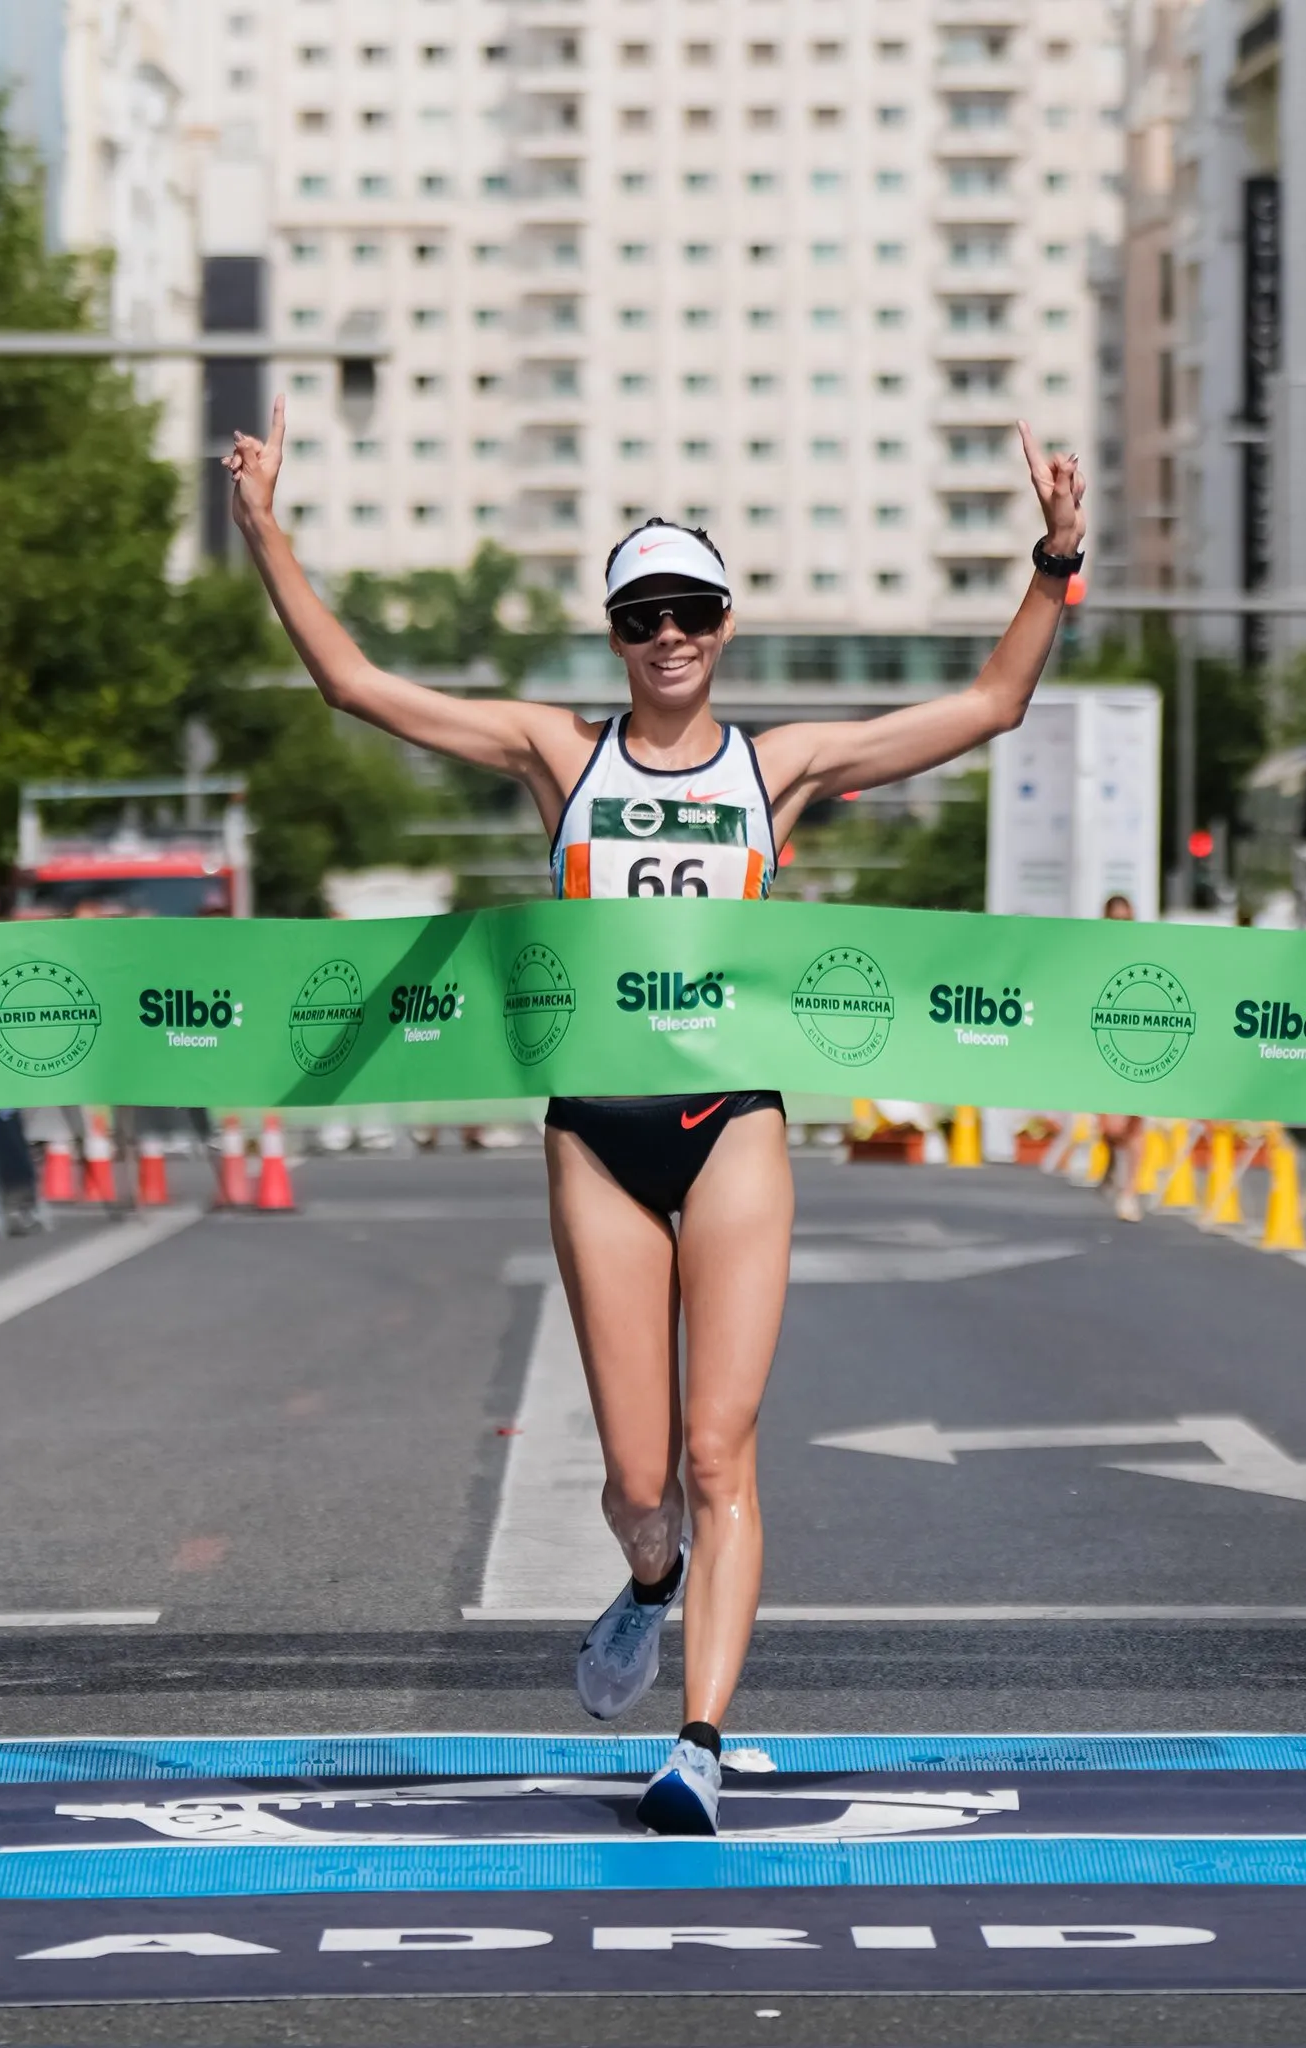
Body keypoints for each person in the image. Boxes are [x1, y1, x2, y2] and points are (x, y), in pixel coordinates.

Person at [226, 396, 1087, 1834]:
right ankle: (644, 1578)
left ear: (726, 623)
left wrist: (1052, 563)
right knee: (639, 1483)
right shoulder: (558, 754)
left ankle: (696, 1738)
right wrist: (266, 533)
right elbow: (358, 690)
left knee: (715, 1452)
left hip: (731, 1121)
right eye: (644, 616)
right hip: (596, 1132)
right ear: (616, 634)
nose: (670, 635)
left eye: (691, 610)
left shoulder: (779, 766)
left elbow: (988, 707)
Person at [1096, 893, 1146, 1223]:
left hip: (1141, 1044)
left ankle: (1130, 1193)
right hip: (1105, 1044)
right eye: (1115, 919)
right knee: (1113, 1127)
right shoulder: (1097, 956)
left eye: (1125, 919)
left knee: (1136, 1123)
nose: (1121, 926)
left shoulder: (1143, 952)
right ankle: (1113, 1158)